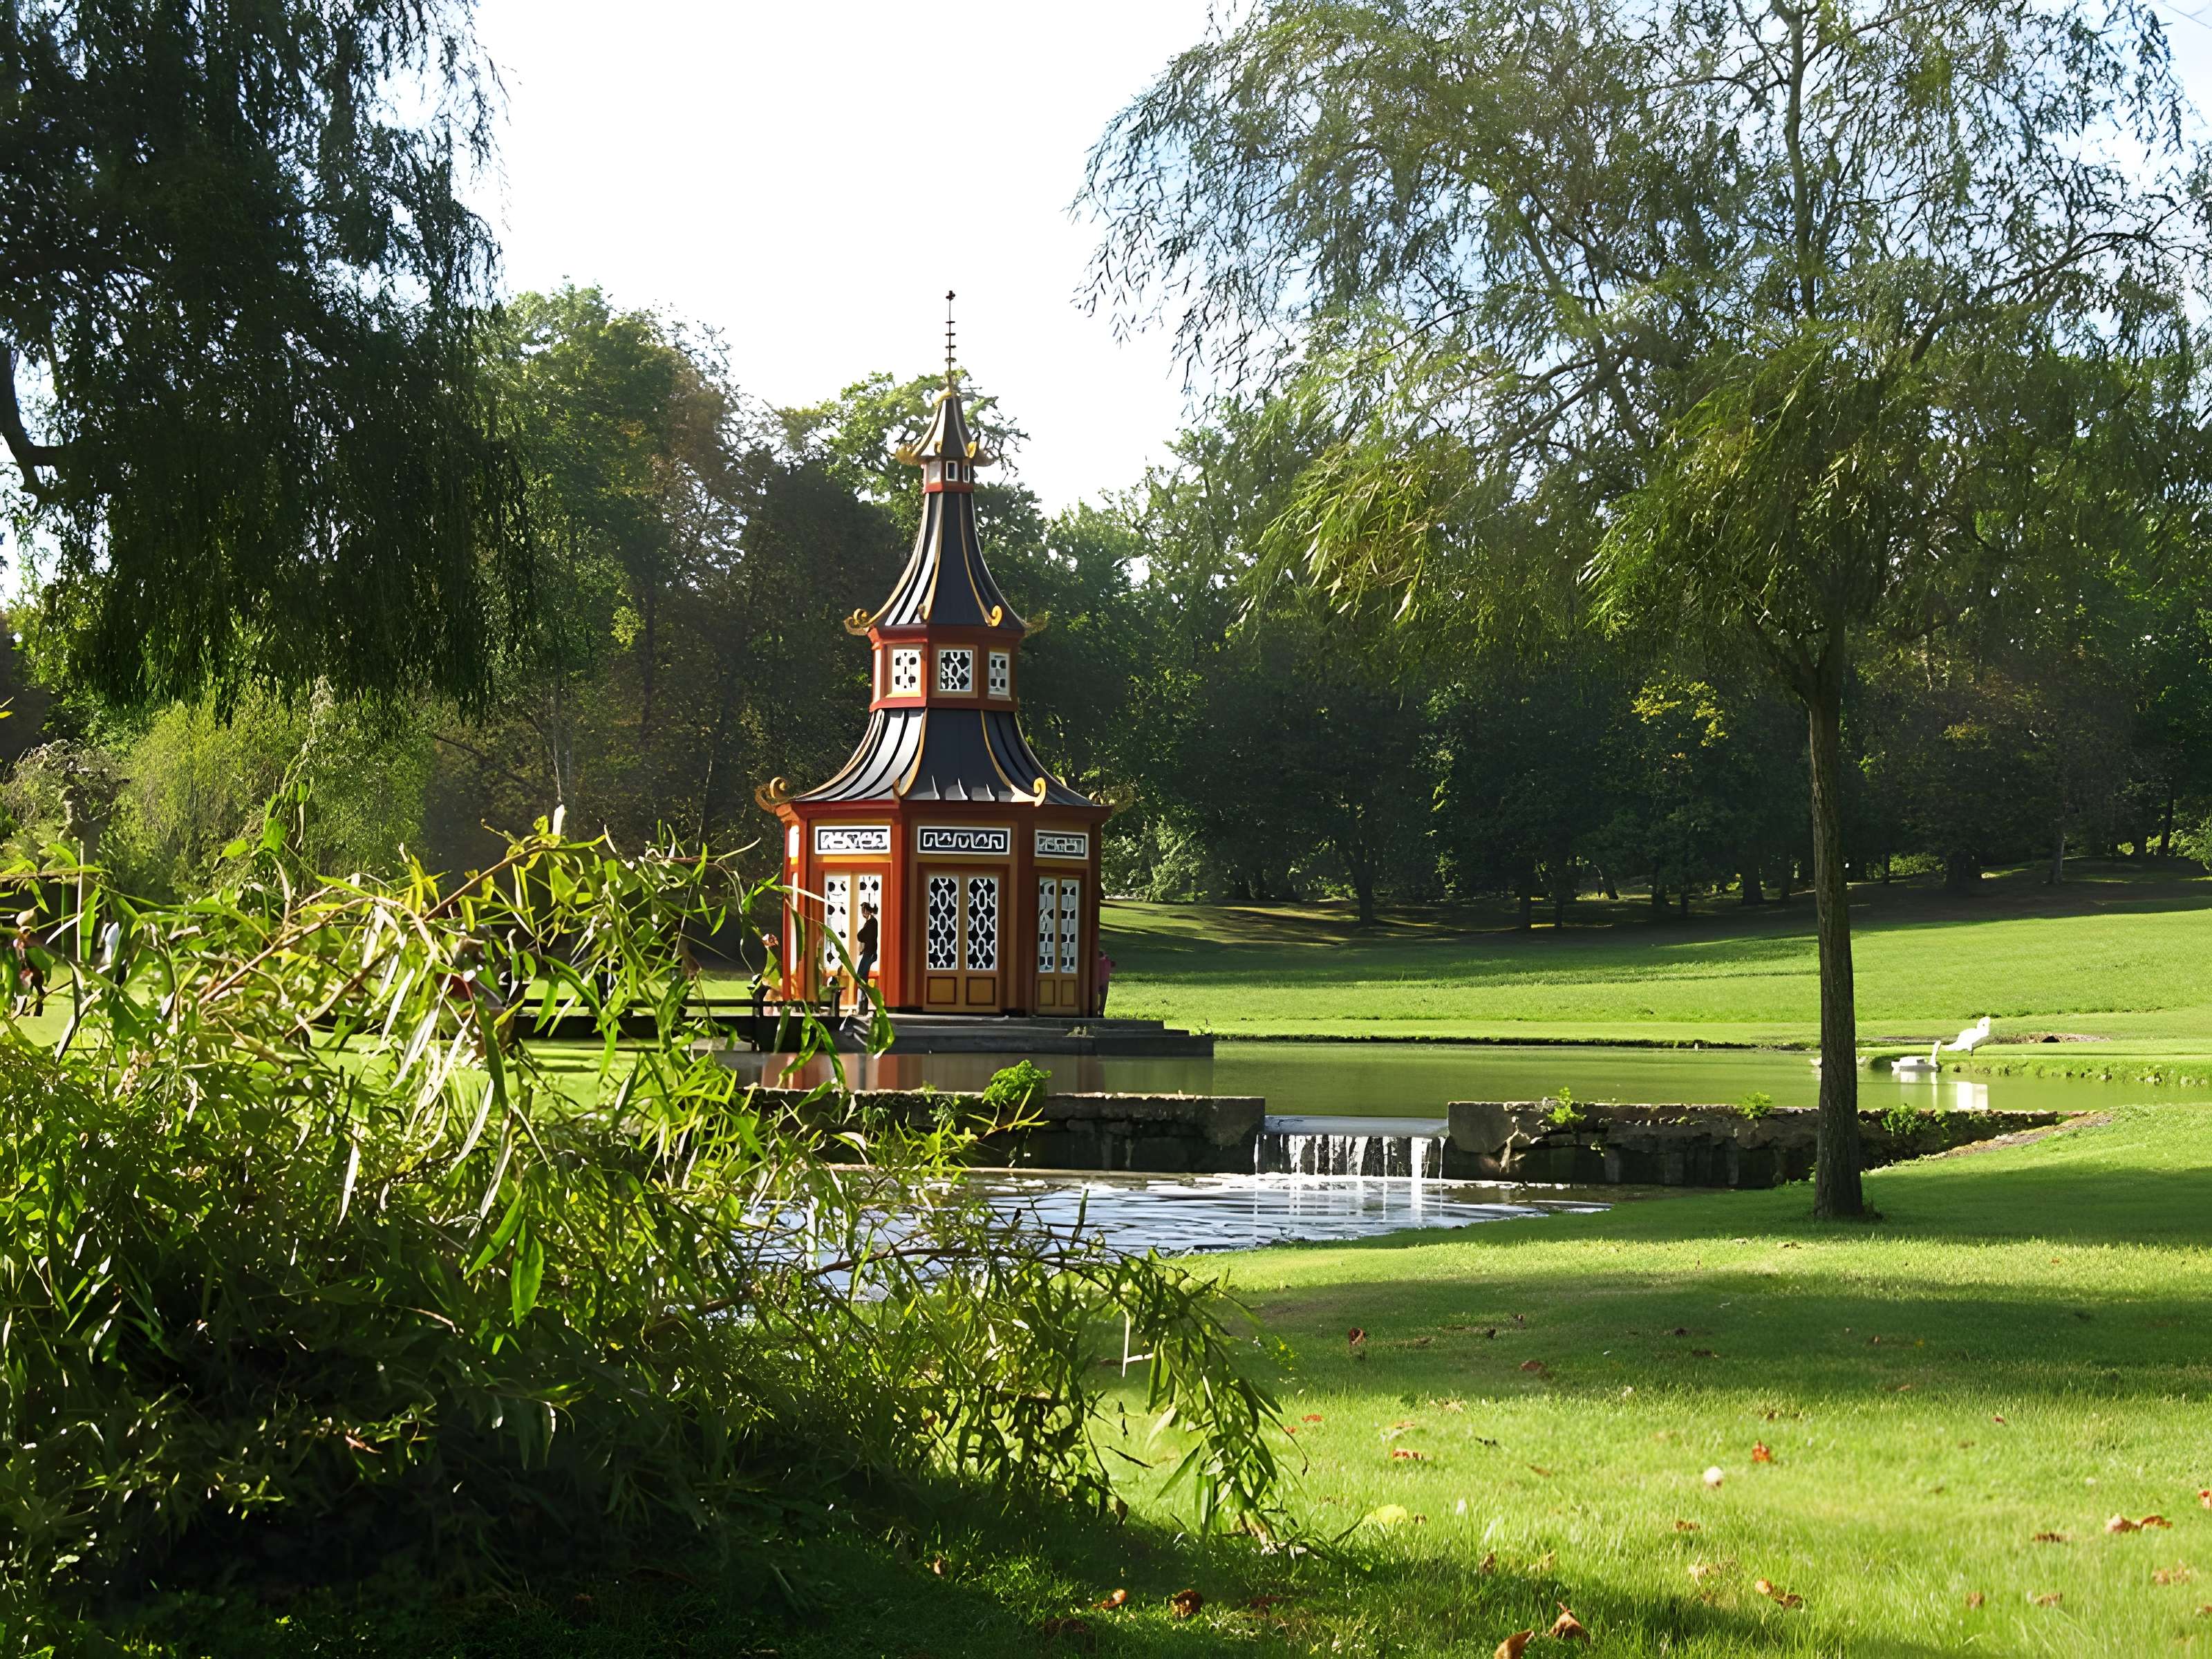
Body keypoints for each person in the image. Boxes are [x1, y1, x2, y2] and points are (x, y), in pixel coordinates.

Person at [10, 910, 46, 1017]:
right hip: (24, 971)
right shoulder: (18, 942)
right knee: (24, 992)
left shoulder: (33, 942)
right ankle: (20, 1010)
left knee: (39, 991)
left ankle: (37, 1011)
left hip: (33, 970)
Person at [851, 902, 879, 1015]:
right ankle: (862, 1005)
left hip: (869, 953)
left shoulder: (871, 922)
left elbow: (860, 935)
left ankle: (863, 1004)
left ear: (867, 911)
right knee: (862, 977)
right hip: (869, 952)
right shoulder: (871, 922)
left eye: (863, 911)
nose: (863, 913)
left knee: (861, 977)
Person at [1094, 947, 1114, 1017]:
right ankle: (1100, 1012)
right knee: (1103, 994)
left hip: (1098, 978)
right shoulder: (1106, 961)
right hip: (1103, 978)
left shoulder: (1104, 960)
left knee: (1099, 994)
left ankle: (1099, 1011)